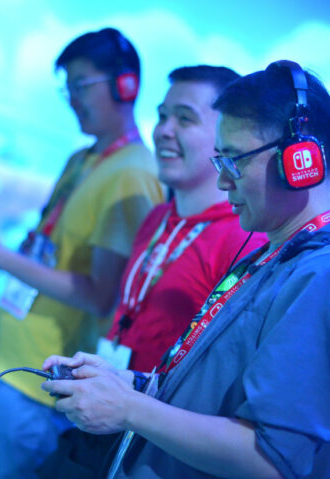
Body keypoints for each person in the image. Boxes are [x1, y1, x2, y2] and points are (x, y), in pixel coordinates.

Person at [42, 60, 330, 479]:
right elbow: (216, 395)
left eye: (235, 161)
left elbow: (271, 461)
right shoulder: (280, 256)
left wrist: (130, 409)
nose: (223, 182)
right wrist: (129, 384)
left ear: (300, 160)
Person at [0, 28, 164, 478]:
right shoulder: (84, 158)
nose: (71, 99)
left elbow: (99, 295)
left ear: (125, 86)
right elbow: (54, 255)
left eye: (81, 86)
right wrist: (7, 248)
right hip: (6, 355)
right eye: (67, 87)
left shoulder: (133, 175)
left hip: (39, 376)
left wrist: (2, 258)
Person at [37, 65, 268, 478]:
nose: (163, 130)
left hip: (154, 450)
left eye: (184, 118)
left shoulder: (242, 240)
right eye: (162, 115)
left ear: (224, 136)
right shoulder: (158, 216)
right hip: (99, 423)